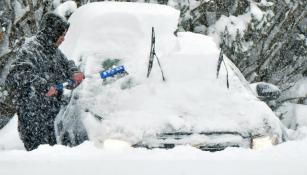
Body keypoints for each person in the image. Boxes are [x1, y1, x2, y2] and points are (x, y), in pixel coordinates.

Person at [5, 13, 85, 151]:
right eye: (61, 34)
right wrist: (43, 86)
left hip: (52, 117)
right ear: (52, 32)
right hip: (34, 119)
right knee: (40, 159)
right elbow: (17, 75)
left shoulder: (53, 51)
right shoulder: (30, 50)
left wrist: (74, 72)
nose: (63, 39)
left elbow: (67, 65)